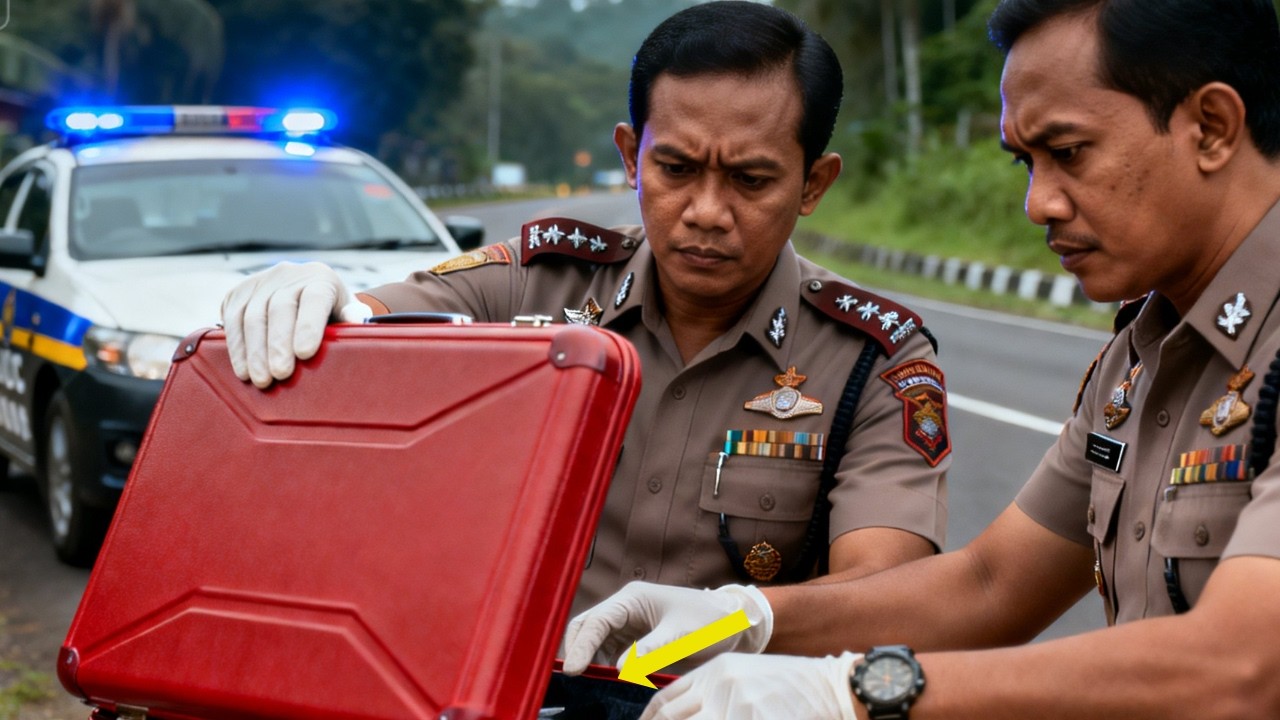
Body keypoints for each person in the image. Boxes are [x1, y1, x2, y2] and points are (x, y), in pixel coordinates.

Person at [560, 0, 1280, 717]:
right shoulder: (1142, 355)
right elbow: (989, 586)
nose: (1038, 203)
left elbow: (1244, 665)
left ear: (1211, 128)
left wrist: (856, 691)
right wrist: (741, 616)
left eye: (1067, 153)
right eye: (1024, 162)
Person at [221, 1, 949, 626]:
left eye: (751, 180)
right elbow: (368, 321)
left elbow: (886, 595)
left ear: (813, 183)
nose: (706, 212)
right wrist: (313, 295)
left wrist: (735, 625)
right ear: (632, 157)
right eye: (676, 169)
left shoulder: (873, 360)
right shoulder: (535, 286)